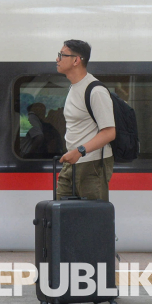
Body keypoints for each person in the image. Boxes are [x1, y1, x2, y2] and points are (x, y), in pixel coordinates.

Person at [55, 40, 116, 200]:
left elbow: (109, 132)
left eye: (62, 55)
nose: (57, 59)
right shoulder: (74, 87)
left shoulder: (96, 91)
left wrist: (80, 151)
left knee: (91, 219)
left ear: (76, 60)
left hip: (92, 165)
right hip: (72, 161)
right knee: (61, 215)